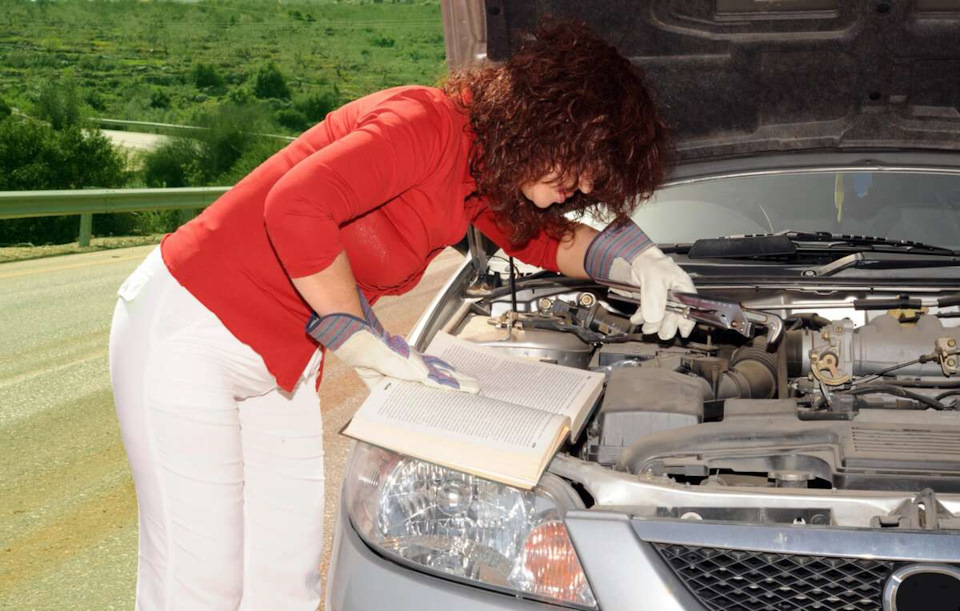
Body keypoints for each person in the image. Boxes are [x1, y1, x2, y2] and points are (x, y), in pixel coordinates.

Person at [108, 20, 695, 611]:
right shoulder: (426, 122)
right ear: (551, 121)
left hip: (280, 362)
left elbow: (540, 240)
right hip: (191, 327)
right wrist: (361, 338)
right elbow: (295, 205)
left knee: (284, 582)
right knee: (198, 582)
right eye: (583, 166)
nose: (582, 189)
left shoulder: (484, 173)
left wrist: (638, 259)